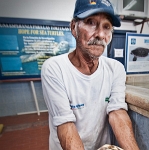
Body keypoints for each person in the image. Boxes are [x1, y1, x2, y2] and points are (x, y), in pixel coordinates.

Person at [41, 0, 140, 149]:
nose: (100, 34)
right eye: (91, 22)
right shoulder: (55, 68)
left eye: (106, 27)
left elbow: (117, 112)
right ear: (74, 28)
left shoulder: (116, 69)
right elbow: (65, 124)